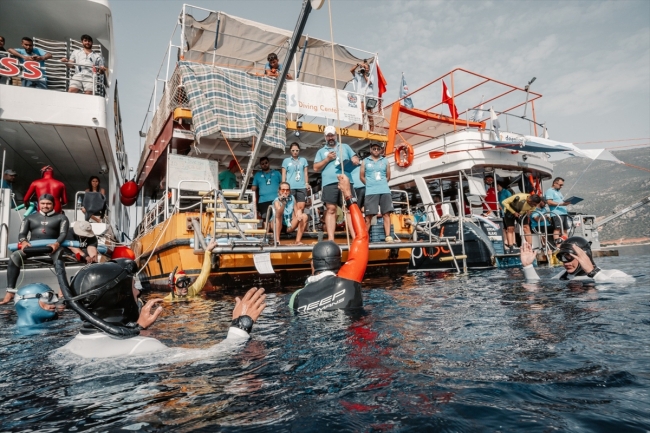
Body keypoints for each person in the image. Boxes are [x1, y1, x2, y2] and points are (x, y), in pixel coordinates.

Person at [54, 258, 267, 358]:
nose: (138, 293)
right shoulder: (142, 348)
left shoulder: (63, 352)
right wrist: (241, 325)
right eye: (132, 289)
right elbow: (213, 357)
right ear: (120, 298)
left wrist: (136, 327)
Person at [289, 175, 367, 313]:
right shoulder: (348, 278)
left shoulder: (296, 298)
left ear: (313, 264)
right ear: (339, 262)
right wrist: (348, 194)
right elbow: (362, 236)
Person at [0, 194, 69, 305]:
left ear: (53, 204)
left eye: (48, 203)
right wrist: (24, 241)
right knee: (14, 256)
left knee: (59, 255)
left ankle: (64, 290)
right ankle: (10, 292)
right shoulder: (29, 218)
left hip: (52, 248)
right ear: (39, 204)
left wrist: (56, 244)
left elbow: (63, 233)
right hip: (32, 248)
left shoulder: (61, 217)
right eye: (43, 203)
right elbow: (22, 233)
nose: (45, 206)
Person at [313, 125, 359, 241]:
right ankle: (331, 239)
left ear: (336, 135)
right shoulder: (321, 151)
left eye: (332, 135)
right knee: (331, 209)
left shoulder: (345, 146)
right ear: (325, 137)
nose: (330, 137)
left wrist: (355, 160)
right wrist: (327, 159)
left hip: (345, 180)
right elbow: (315, 168)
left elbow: (355, 159)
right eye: (328, 136)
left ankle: (355, 238)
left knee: (349, 209)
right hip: (329, 183)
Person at [520, 237, 631, 282]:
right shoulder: (563, 276)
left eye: (569, 257)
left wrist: (592, 273)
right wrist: (528, 266)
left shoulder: (612, 274)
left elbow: (629, 284)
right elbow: (537, 288)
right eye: (561, 258)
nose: (565, 262)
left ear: (585, 255)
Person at [360, 142, 394, 242]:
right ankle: (365, 238)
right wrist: (370, 184)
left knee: (386, 214)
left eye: (378, 149)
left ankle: (388, 236)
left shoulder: (385, 161)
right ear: (370, 149)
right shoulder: (365, 161)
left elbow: (388, 176)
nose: (376, 150)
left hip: (384, 190)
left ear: (381, 150)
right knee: (368, 216)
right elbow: (361, 176)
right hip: (370, 191)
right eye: (374, 148)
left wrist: (381, 183)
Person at [281, 142, 309, 223]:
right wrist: (283, 186)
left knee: (301, 207)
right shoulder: (286, 161)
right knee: (292, 206)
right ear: (290, 151)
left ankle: (300, 223)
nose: (295, 152)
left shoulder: (303, 160)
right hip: (290, 187)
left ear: (299, 150)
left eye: (297, 150)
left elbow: (306, 172)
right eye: (293, 150)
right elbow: (284, 173)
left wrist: (306, 183)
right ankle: (293, 224)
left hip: (301, 186)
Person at [252, 157, 282, 225]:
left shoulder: (277, 173)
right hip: (263, 201)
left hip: (276, 199)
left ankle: (277, 233)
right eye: (262, 164)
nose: (264, 164)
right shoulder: (257, 175)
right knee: (266, 219)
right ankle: (267, 234)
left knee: (277, 216)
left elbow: (283, 184)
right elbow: (253, 188)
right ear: (260, 165)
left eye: (266, 163)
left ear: (269, 163)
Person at [545, 177, 572, 243]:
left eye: (562, 185)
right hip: (556, 213)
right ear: (555, 183)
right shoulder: (550, 191)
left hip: (564, 213)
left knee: (565, 230)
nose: (561, 186)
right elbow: (549, 202)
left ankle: (565, 243)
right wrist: (562, 204)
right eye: (560, 185)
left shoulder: (558, 192)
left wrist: (566, 203)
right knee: (557, 229)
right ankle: (557, 244)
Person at [350, 60, 374, 130]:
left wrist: (364, 75)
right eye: (364, 67)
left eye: (366, 68)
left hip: (370, 97)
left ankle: (372, 132)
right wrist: (358, 64)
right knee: (361, 115)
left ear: (368, 69)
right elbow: (351, 71)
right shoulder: (358, 76)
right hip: (361, 97)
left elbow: (369, 83)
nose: (365, 69)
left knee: (370, 116)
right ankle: (360, 131)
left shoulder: (371, 75)